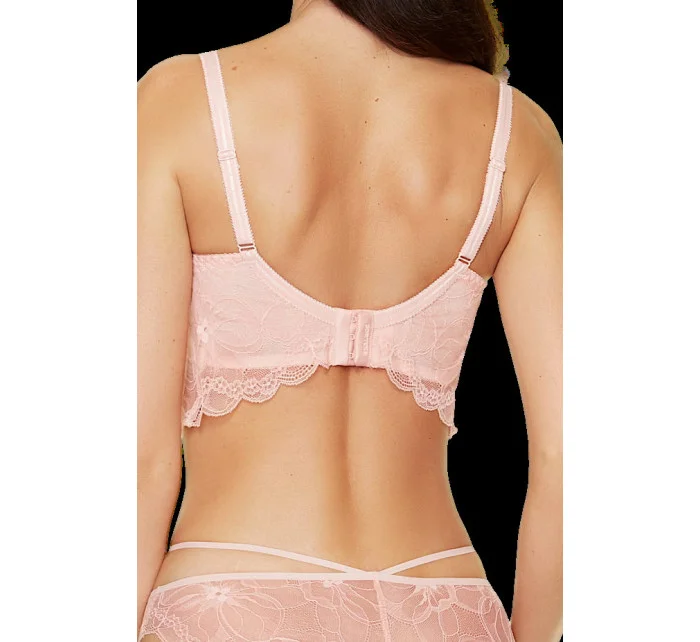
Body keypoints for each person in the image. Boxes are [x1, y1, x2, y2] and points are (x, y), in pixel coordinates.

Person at [137, 1, 562, 640]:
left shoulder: (182, 100)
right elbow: (568, 455)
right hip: (444, 607)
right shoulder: (517, 130)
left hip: (232, 603)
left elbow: (139, 463)